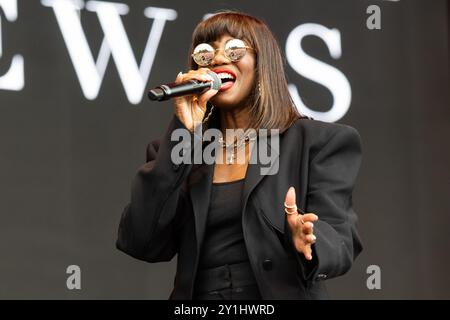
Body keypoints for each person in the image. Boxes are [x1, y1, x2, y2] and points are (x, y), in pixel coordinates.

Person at [116, 11, 363, 300]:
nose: (219, 58)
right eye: (206, 53)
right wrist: (182, 130)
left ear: (262, 64)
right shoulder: (177, 151)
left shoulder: (317, 141)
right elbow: (140, 241)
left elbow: (341, 241)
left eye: (234, 49)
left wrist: (309, 237)